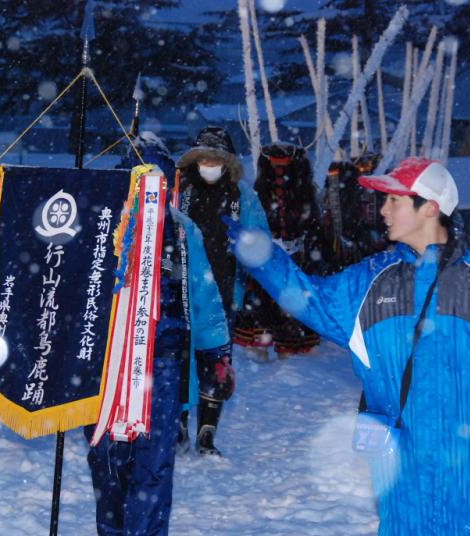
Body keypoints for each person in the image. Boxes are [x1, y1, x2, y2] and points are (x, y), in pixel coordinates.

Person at [224, 156, 470, 535]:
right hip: (399, 469)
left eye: (395, 200)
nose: (383, 209)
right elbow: (311, 299)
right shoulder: (372, 278)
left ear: (431, 208)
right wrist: (264, 257)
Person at [83, 132, 234, 535]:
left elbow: (203, 300)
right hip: (134, 367)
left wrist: (215, 353)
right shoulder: (117, 223)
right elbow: (206, 302)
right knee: (138, 467)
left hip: (132, 367)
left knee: (120, 463)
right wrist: (216, 353)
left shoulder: (172, 230)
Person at [176, 126, 266, 455]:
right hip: (181, 291)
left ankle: (207, 432)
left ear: (226, 162)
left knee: (216, 363)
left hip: (224, 291)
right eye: (204, 158)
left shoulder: (243, 196)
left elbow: (262, 244)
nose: (209, 164)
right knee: (179, 360)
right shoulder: (178, 190)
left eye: (216, 158)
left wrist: (247, 242)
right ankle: (178, 426)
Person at [233, 142, 327, 359]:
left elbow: (312, 227)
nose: (279, 172)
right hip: (265, 255)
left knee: (291, 302)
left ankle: (291, 348)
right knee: (262, 300)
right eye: (275, 166)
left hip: (295, 256)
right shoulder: (258, 194)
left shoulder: (304, 194)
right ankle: (261, 345)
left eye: (284, 166)